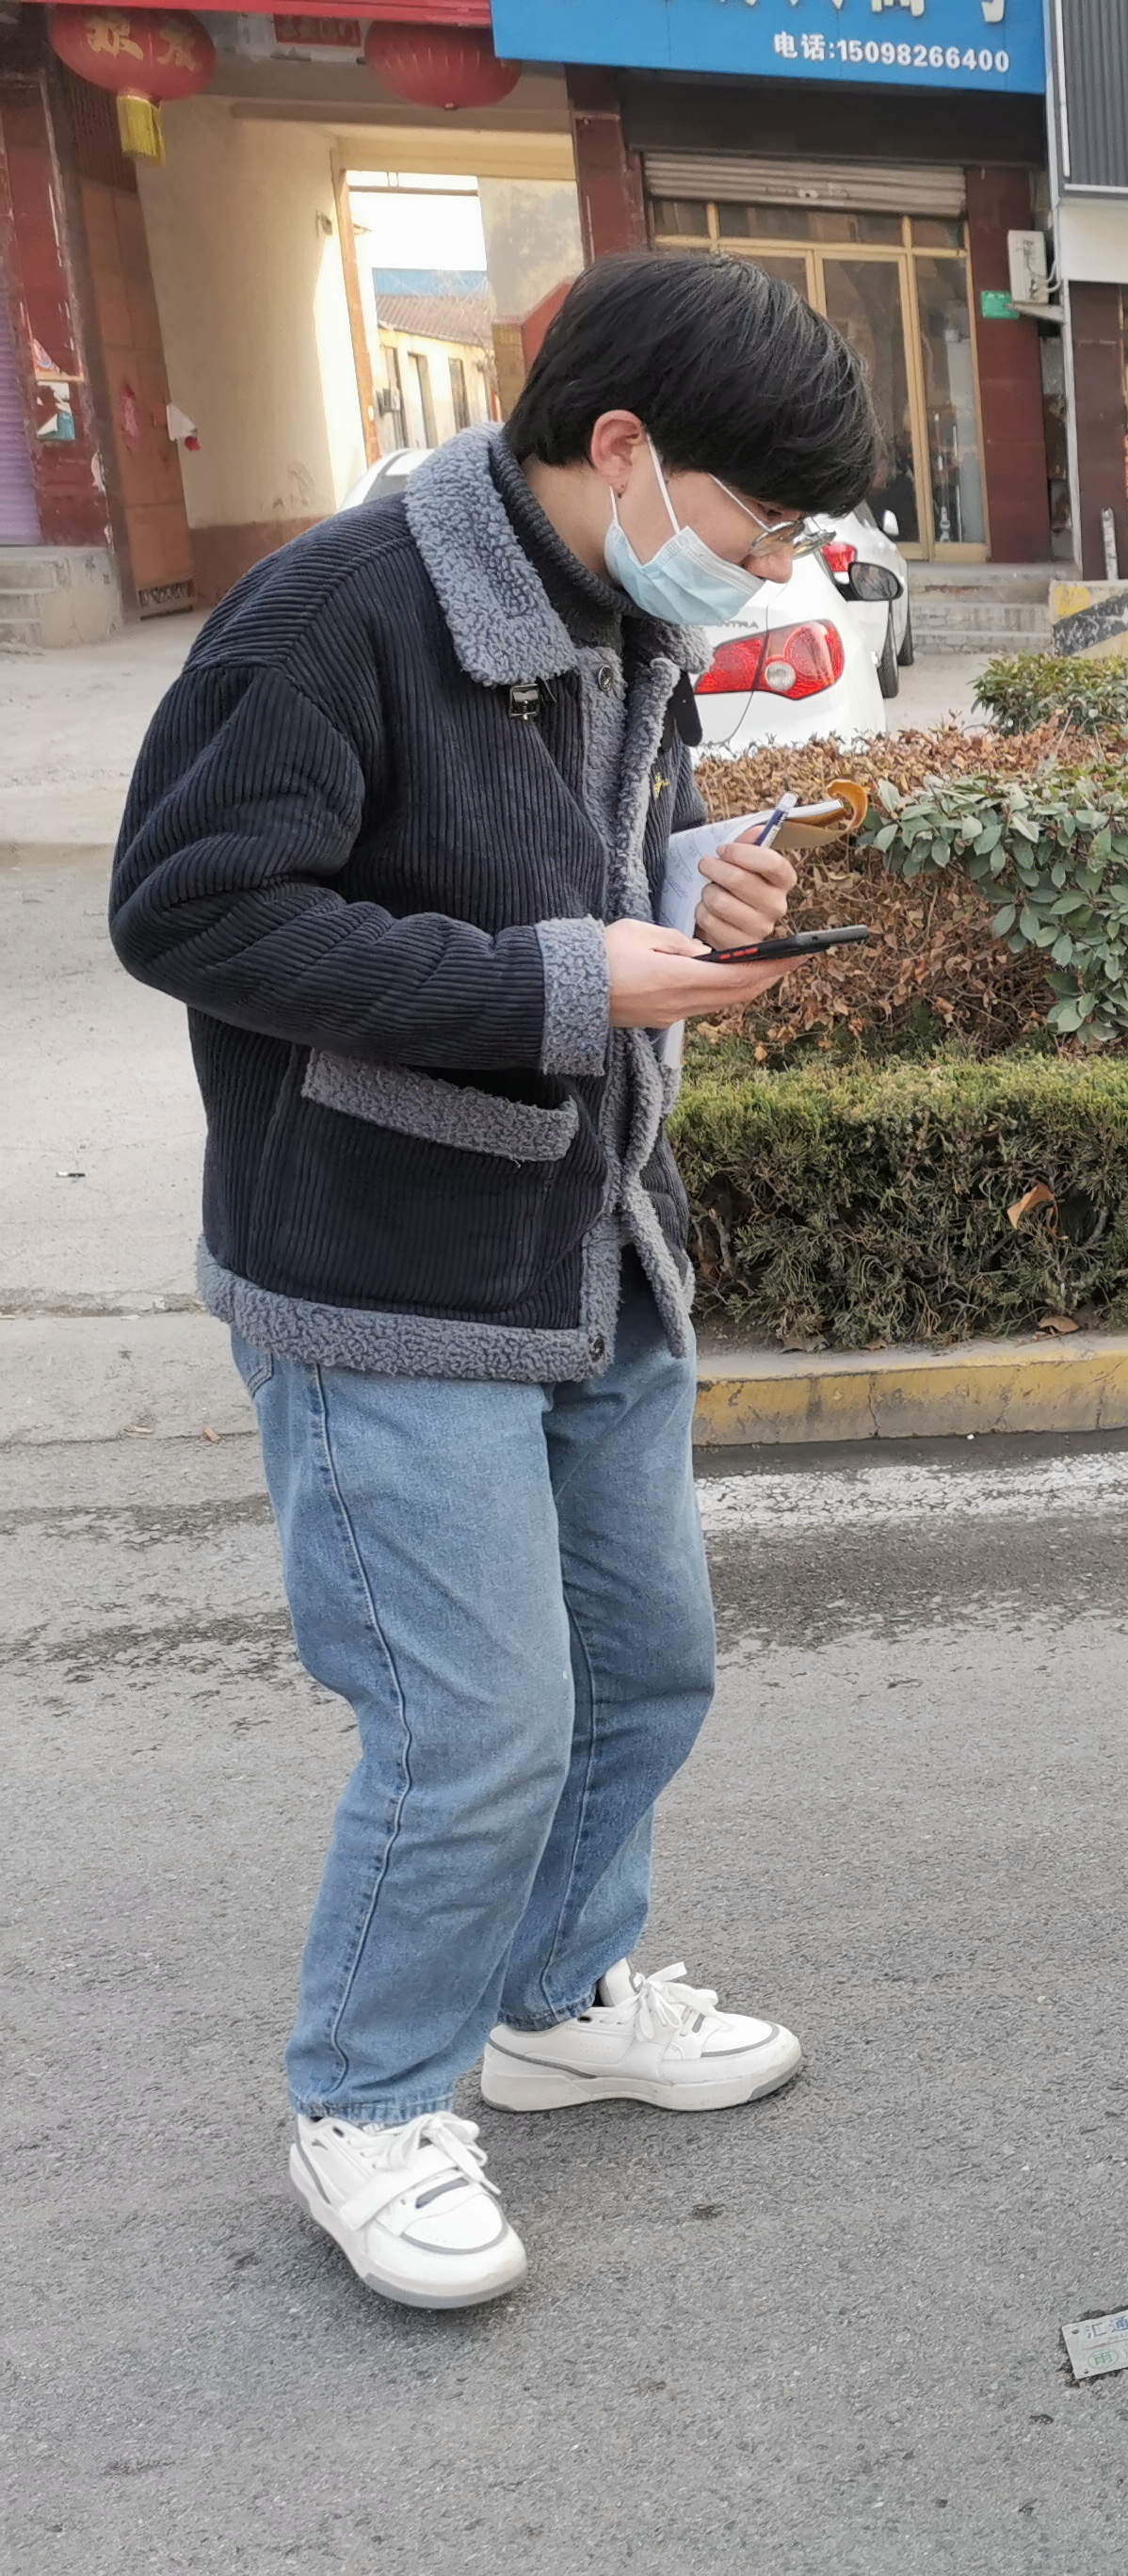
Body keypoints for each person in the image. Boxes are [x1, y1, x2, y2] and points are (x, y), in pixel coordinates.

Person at [107, 251, 882, 2307]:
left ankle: (553, 1998)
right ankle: (367, 2102)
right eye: (761, 524)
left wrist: (694, 880)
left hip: (591, 1243)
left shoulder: (624, 609)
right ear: (620, 446)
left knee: (644, 1668)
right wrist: (564, 980)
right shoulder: (337, 616)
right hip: (383, 1272)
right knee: (476, 1726)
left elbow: (589, 863)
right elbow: (190, 912)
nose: (769, 569)